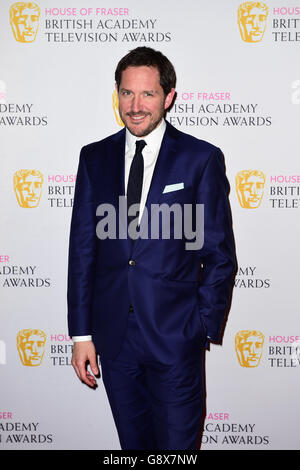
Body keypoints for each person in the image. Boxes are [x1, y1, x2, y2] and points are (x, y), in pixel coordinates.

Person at [67, 46, 236, 450]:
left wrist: (199, 327)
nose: (136, 106)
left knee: (177, 449)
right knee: (134, 447)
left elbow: (216, 253)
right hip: (114, 340)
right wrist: (81, 335)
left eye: (147, 95)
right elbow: (83, 250)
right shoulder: (94, 158)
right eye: (127, 93)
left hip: (175, 338)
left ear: (169, 96)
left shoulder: (199, 159)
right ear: (117, 94)